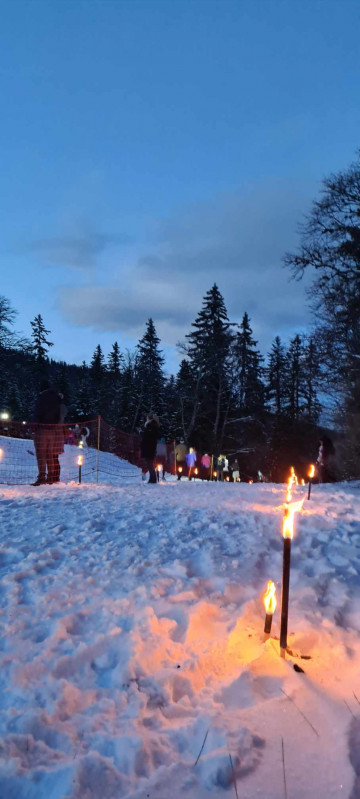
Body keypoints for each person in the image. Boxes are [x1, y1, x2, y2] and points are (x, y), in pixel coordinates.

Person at [32, 380, 62, 485]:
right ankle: (51, 477)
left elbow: (37, 412)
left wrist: (34, 427)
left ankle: (41, 477)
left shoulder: (41, 398)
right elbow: (58, 415)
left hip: (41, 429)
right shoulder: (56, 399)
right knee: (50, 454)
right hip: (52, 430)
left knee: (41, 454)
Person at [140, 413, 160, 484]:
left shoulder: (150, 426)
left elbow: (149, 437)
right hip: (150, 447)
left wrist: (143, 436)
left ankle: (153, 479)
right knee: (149, 463)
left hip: (148, 447)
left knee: (149, 463)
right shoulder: (152, 426)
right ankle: (152, 479)